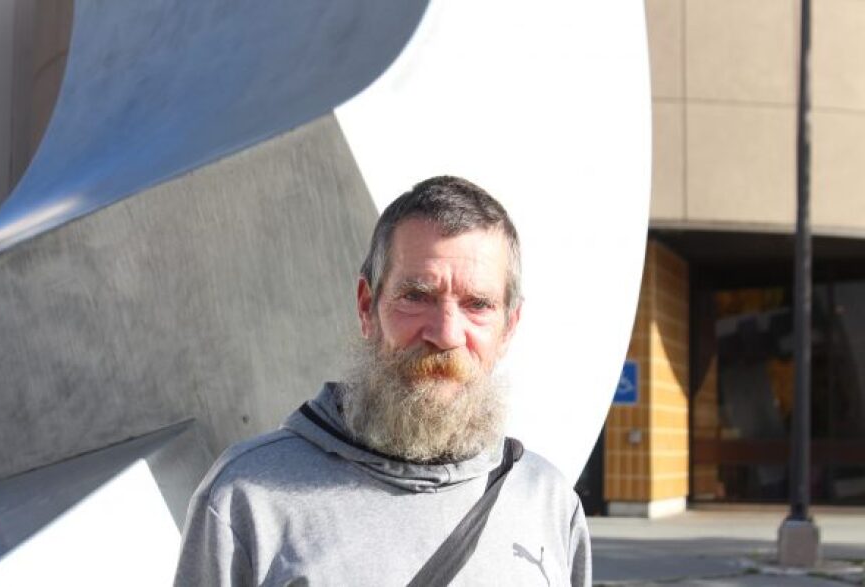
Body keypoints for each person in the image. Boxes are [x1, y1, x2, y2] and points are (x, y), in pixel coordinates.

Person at [174, 176, 591, 586]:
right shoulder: (246, 497)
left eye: (478, 304)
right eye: (416, 296)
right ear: (366, 307)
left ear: (509, 327)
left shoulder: (548, 502)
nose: (445, 334)